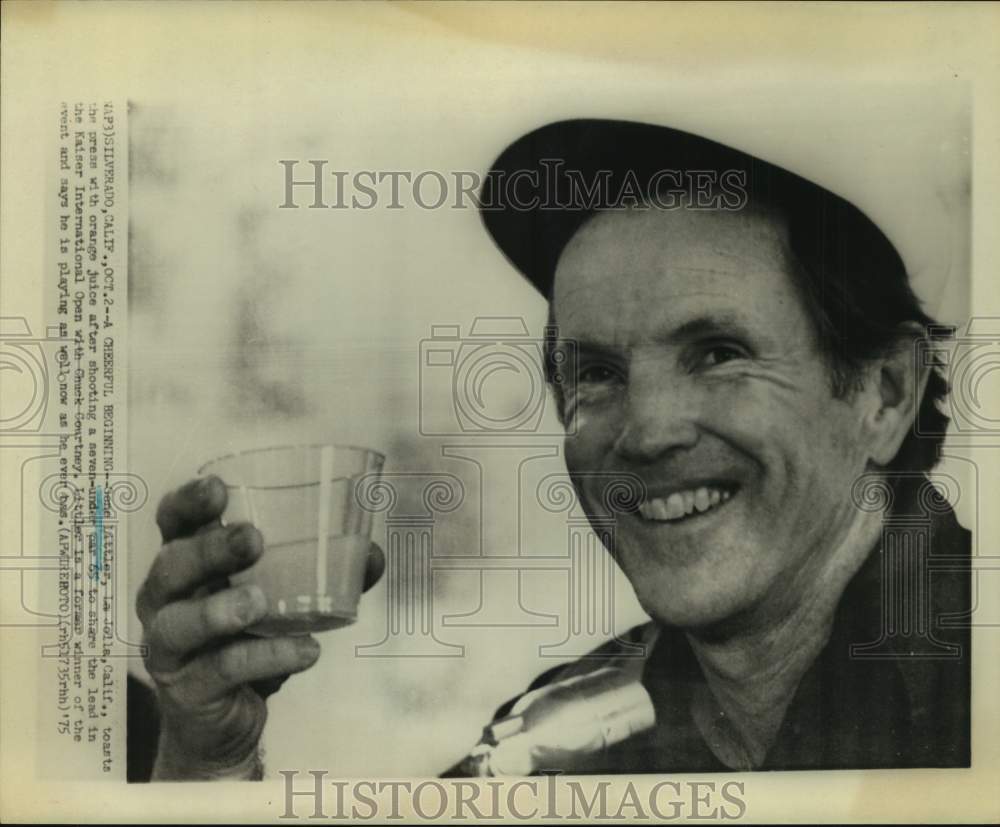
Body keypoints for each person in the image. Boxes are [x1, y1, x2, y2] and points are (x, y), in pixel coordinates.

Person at [131, 119, 970, 780]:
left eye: (718, 353)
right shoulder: (550, 740)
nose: (647, 431)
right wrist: (209, 761)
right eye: (598, 372)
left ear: (885, 392)